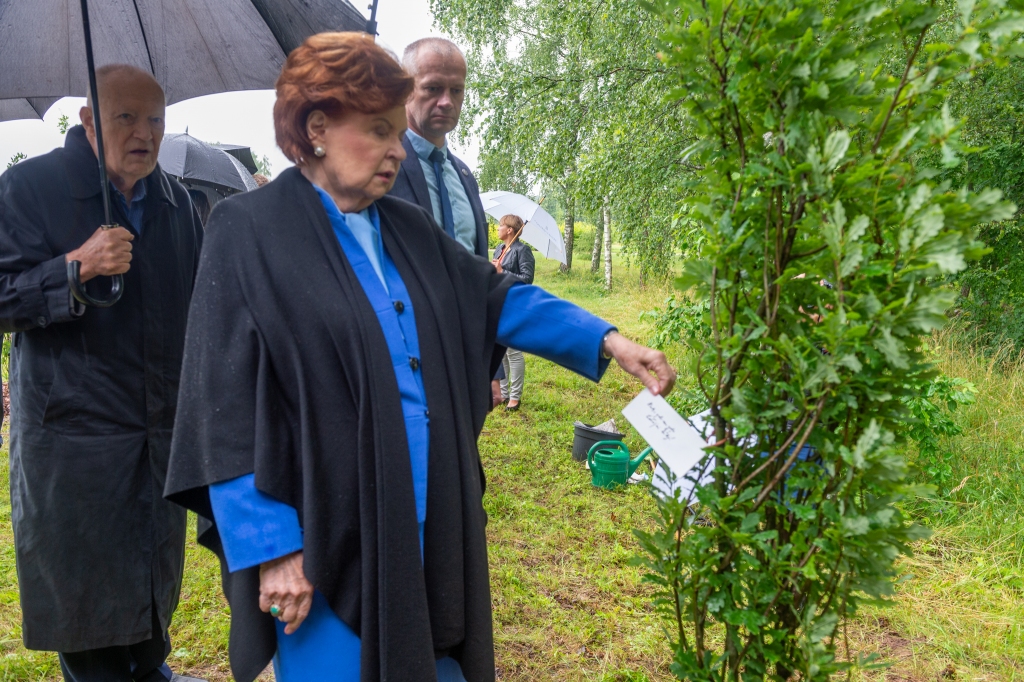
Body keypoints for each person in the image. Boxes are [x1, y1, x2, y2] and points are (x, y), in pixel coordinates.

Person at [164, 32, 675, 682]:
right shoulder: (247, 231)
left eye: (396, 131)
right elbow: (221, 407)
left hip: (431, 522)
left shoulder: (405, 227)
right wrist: (273, 550)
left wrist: (609, 341)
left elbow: (495, 300)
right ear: (317, 127)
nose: (397, 150)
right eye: (378, 130)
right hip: (326, 538)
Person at [0, 65, 204, 682]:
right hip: (73, 447)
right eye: (125, 117)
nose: (145, 133)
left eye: (156, 120)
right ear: (88, 121)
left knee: (150, 582)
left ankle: (153, 669)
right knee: (86, 608)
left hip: (156, 438)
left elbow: (198, 311)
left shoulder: (176, 204)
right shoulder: (28, 188)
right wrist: (72, 270)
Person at [387, 37, 505, 406]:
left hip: (464, 369)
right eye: (433, 88)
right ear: (406, 89)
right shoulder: (380, 169)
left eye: (457, 90)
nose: (447, 101)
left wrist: (489, 369)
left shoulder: (465, 176)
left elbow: (479, 277)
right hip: (400, 374)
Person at [492, 214, 535, 410]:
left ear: (510, 230)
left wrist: (503, 272)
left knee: (513, 351)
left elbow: (527, 279)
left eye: (500, 225)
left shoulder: (522, 250)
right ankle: (503, 392)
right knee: (500, 350)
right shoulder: (499, 249)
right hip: (498, 302)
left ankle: (515, 398)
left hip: (515, 304)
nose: (497, 228)